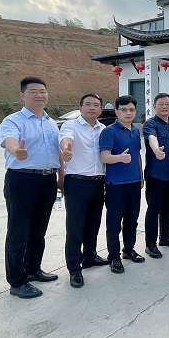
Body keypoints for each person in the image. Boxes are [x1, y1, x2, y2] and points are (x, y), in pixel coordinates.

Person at [0, 76, 63, 299]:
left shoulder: (51, 123)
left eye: (43, 91)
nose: (39, 95)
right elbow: (10, 140)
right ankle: (17, 282)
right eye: (34, 91)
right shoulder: (13, 121)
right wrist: (16, 151)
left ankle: (33, 269)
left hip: (47, 180)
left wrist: (61, 177)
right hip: (22, 179)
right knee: (18, 231)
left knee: (38, 229)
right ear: (22, 95)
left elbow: (57, 153)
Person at [59, 93, 110, 288]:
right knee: (75, 227)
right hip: (77, 182)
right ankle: (74, 268)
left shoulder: (103, 129)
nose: (92, 108)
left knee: (93, 223)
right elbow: (66, 140)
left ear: (100, 109)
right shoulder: (71, 126)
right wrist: (66, 150)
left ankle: (90, 256)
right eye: (87, 104)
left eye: (96, 105)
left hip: (98, 182)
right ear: (80, 108)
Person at [99, 95, 145, 274]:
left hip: (134, 182)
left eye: (131, 110)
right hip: (116, 184)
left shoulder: (135, 131)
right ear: (116, 112)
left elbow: (137, 155)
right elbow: (104, 157)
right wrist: (119, 158)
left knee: (132, 220)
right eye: (124, 110)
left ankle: (129, 249)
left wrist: (140, 176)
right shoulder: (109, 132)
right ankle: (114, 256)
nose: (128, 113)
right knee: (114, 223)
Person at [142, 93, 169, 258]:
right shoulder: (150, 124)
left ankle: (165, 237)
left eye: (167, 104)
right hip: (156, 175)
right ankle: (150, 244)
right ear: (154, 106)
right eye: (161, 104)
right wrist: (156, 150)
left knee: (168, 207)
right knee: (153, 210)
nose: (165, 106)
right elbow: (152, 138)